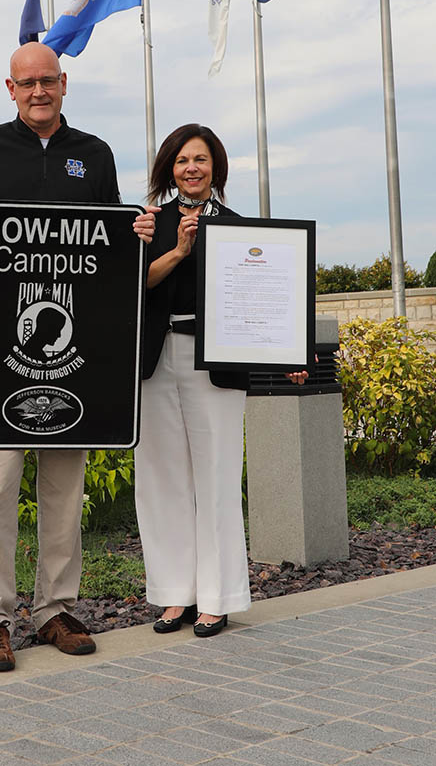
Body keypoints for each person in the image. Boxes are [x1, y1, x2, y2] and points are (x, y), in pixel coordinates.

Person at [0, 41, 155, 672]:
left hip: (73, 353)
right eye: (26, 84)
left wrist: (135, 230)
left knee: (65, 488)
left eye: (47, 82)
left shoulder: (95, 155)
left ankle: (54, 608)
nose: (38, 92)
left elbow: (111, 244)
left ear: (63, 83)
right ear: (8, 88)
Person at [134, 124, 307, 638]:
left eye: (202, 160)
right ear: (170, 168)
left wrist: (285, 354)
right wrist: (179, 250)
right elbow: (137, 283)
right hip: (155, 360)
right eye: (183, 160)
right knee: (161, 480)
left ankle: (217, 597)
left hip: (216, 366)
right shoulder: (148, 225)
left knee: (216, 479)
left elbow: (260, 301)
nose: (192, 168)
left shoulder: (238, 229)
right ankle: (174, 596)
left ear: (216, 169)